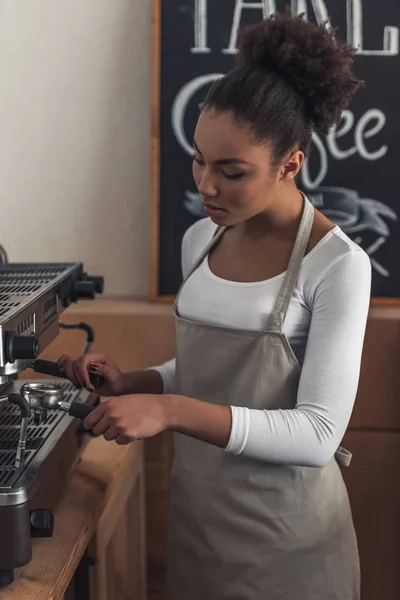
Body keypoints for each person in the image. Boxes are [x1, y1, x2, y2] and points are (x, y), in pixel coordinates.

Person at [58, 12, 372, 600]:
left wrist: (168, 409)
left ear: (290, 164)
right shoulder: (201, 240)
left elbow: (317, 434)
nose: (206, 185)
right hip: (201, 525)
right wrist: (136, 383)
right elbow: (217, 373)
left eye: (231, 172)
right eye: (199, 159)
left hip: (288, 543)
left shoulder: (338, 265)